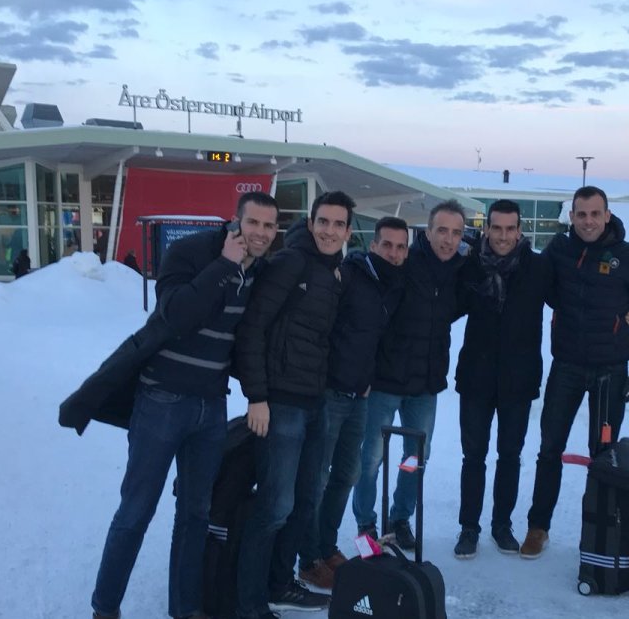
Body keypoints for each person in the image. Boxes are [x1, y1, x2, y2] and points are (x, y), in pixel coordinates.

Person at [59, 192, 279, 619]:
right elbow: (176, 315)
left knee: (196, 513)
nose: (261, 233)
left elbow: (249, 338)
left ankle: (186, 608)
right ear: (235, 222)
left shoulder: (260, 273)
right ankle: (105, 607)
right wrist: (223, 266)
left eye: (270, 226)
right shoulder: (190, 252)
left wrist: (258, 393)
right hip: (162, 400)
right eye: (253, 223)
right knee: (137, 509)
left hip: (210, 407)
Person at [518, 185, 629, 559]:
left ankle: (598, 529)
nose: (587, 221)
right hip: (566, 366)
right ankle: (538, 527)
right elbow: (542, 288)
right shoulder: (560, 250)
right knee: (549, 448)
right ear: (572, 217)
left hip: (610, 373)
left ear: (607, 215)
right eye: (580, 214)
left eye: (595, 214)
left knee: (603, 455)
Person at [233, 191, 355, 619]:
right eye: (323, 221)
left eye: (338, 224)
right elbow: (253, 329)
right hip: (279, 404)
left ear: (348, 231)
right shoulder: (290, 263)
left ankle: (281, 583)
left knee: (307, 500)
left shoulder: (334, 271)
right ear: (310, 221)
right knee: (274, 506)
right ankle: (249, 602)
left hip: (314, 401)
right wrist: (257, 397)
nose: (329, 230)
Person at [297, 216, 409, 589]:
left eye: (400, 247)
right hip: (330, 393)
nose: (393, 253)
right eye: (387, 245)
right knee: (317, 478)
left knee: (347, 475)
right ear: (373, 245)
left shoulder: (391, 284)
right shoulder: (349, 275)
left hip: (360, 394)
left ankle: (327, 547)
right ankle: (308, 558)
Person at [352, 200, 468, 550]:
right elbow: (370, 274)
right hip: (385, 381)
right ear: (428, 231)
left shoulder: (459, 271)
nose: (448, 239)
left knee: (415, 458)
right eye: (442, 231)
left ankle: (399, 518)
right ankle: (365, 524)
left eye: (456, 233)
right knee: (371, 458)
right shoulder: (405, 262)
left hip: (424, 386)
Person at [452, 199, 553, 559]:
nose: (504, 236)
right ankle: (469, 527)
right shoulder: (471, 267)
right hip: (476, 377)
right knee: (473, 456)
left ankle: (501, 525)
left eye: (511, 229)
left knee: (510, 455)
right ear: (487, 228)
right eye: (497, 228)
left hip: (518, 380)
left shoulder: (539, 268)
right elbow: (443, 304)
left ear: (520, 230)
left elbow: (574, 300)